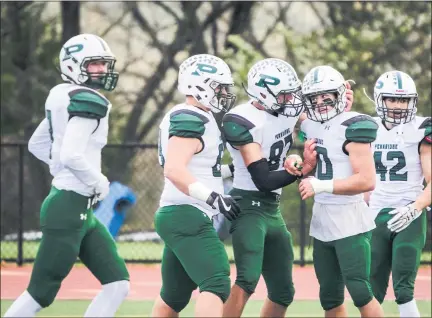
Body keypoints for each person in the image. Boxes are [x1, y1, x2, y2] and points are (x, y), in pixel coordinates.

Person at [4, 34, 130, 318]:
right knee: (41, 292)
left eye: (102, 64)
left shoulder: (61, 94)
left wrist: (63, 171)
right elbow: (71, 155)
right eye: (94, 64)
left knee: (118, 283)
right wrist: (97, 181)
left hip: (78, 208)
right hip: (68, 208)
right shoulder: (88, 100)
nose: (101, 70)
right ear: (73, 66)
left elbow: (38, 145)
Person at [221, 58, 342, 318]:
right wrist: (301, 169)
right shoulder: (243, 119)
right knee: (247, 280)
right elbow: (262, 180)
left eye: (291, 93)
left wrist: (341, 108)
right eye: (285, 94)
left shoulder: (286, 111)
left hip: (271, 210)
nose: (291, 100)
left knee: (283, 291)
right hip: (247, 205)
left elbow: (319, 122)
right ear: (265, 94)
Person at [151, 54, 242, 317]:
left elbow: (198, 168)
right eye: (219, 87)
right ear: (198, 85)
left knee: (174, 295)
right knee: (216, 281)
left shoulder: (196, 115)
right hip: (185, 213)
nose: (224, 93)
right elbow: (174, 169)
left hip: (180, 212)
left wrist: (229, 171)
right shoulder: (190, 117)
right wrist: (214, 197)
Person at [293, 65, 384, 317]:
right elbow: (289, 113)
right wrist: (304, 166)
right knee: (329, 296)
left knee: (360, 291)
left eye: (326, 97)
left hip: (349, 218)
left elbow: (366, 180)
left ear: (339, 95)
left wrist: (320, 185)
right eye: (314, 98)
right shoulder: (310, 126)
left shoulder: (353, 126)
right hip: (322, 218)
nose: (320, 103)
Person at [365, 71, 431, 318]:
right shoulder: (366, 127)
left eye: (403, 100)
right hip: (375, 213)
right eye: (392, 99)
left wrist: (414, 208)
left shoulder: (421, 129)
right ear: (379, 99)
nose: (398, 106)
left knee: (404, 288)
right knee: (372, 289)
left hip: (410, 211)